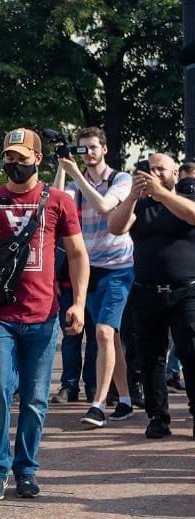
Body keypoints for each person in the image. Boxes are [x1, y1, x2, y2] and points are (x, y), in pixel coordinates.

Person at [0, 129, 88, 501]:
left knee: (35, 398)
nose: (14, 164)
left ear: (38, 159)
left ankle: (26, 470)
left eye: (21, 157)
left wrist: (77, 303)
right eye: (8, 157)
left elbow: (77, 254)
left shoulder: (58, 200)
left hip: (43, 315)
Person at [108, 152, 195, 439]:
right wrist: (133, 197)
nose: (155, 173)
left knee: (190, 352)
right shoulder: (140, 206)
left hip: (186, 293)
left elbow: (192, 215)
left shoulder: (184, 200)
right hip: (147, 292)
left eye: (162, 169)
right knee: (150, 358)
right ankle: (158, 416)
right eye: (151, 168)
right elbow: (116, 226)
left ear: (173, 174)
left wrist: (162, 194)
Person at [53, 128, 135, 427]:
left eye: (92, 147)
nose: (87, 153)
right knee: (109, 336)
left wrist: (75, 172)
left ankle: (98, 404)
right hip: (89, 268)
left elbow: (103, 206)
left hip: (118, 268)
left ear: (105, 149)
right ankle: (125, 399)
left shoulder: (120, 179)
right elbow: (58, 201)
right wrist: (62, 167)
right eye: (82, 148)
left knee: (101, 332)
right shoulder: (78, 181)